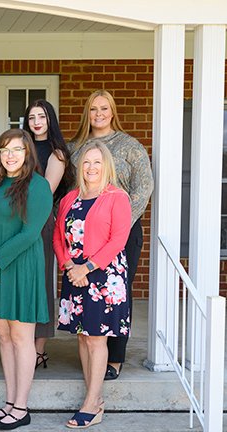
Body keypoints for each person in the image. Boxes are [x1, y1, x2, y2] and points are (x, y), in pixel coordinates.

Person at [69, 90, 153, 381]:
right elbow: (67, 191)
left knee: (116, 295)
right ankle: (91, 353)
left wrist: (119, 226)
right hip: (83, 234)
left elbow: (144, 186)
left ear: (113, 111)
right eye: (93, 109)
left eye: (104, 108)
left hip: (123, 233)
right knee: (85, 292)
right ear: (87, 113)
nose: (99, 114)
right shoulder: (76, 148)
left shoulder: (130, 145)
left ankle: (114, 357)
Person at [0, 129, 52, 430]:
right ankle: (8, 402)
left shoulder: (38, 186)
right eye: (5, 150)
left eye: (17, 149)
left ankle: (21, 406)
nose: (10, 155)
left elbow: (30, 233)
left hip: (19, 269)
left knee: (21, 338)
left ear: (27, 153)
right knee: (3, 338)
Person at [54, 142, 132, 428]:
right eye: (86, 162)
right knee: (82, 336)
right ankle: (93, 397)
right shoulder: (69, 198)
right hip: (73, 274)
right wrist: (68, 266)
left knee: (97, 337)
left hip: (103, 276)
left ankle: (91, 403)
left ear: (106, 165)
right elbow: (57, 237)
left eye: (97, 162)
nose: (91, 168)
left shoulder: (117, 197)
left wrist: (86, 267)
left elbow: (118, 241)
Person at [22, 99, 73, 369]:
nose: (37, 122)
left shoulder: (57, 153)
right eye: (31, 118)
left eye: (41, 117)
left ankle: (38, 349)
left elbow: (45, 192)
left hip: (41, 222)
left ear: (50, 119)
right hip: (16, 220)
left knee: (41, 284)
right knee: (23, 284)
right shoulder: (22, 149)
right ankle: (22, 345)